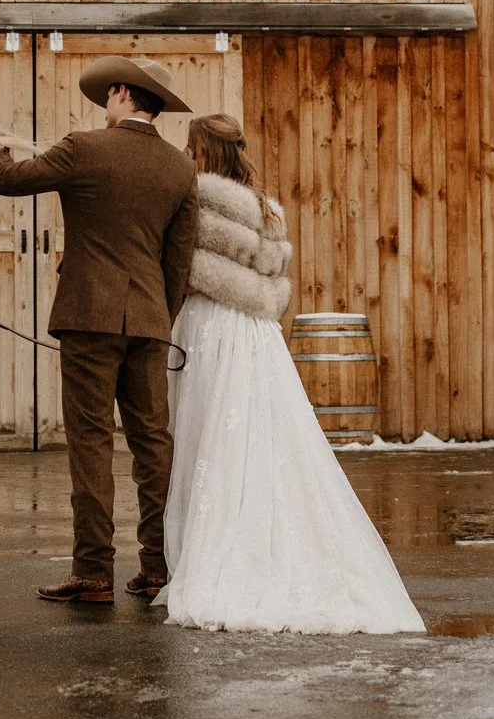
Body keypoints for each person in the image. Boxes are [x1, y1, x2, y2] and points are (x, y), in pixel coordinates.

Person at [159, 113, 423, 633]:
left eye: (191, 147)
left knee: (204, 436)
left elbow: (183, 271)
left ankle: (213, 554)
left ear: (204, 154)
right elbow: (272, 273)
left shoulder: (198, 201)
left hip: (211, 327)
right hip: (258, 335)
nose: (185, 155)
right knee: (263, 438)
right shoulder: (267, 210)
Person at [0, 55, 200, 606]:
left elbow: (7, 180)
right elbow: (179, 259)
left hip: (87, 318)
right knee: (154, 445)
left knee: (91, 443)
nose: (104, 104)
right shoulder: (179, 169)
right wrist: (159, 316)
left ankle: (93, 571)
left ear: (123, 94)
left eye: (108, 94)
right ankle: (157, 568)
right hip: (149, 322)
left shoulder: (84, 148)